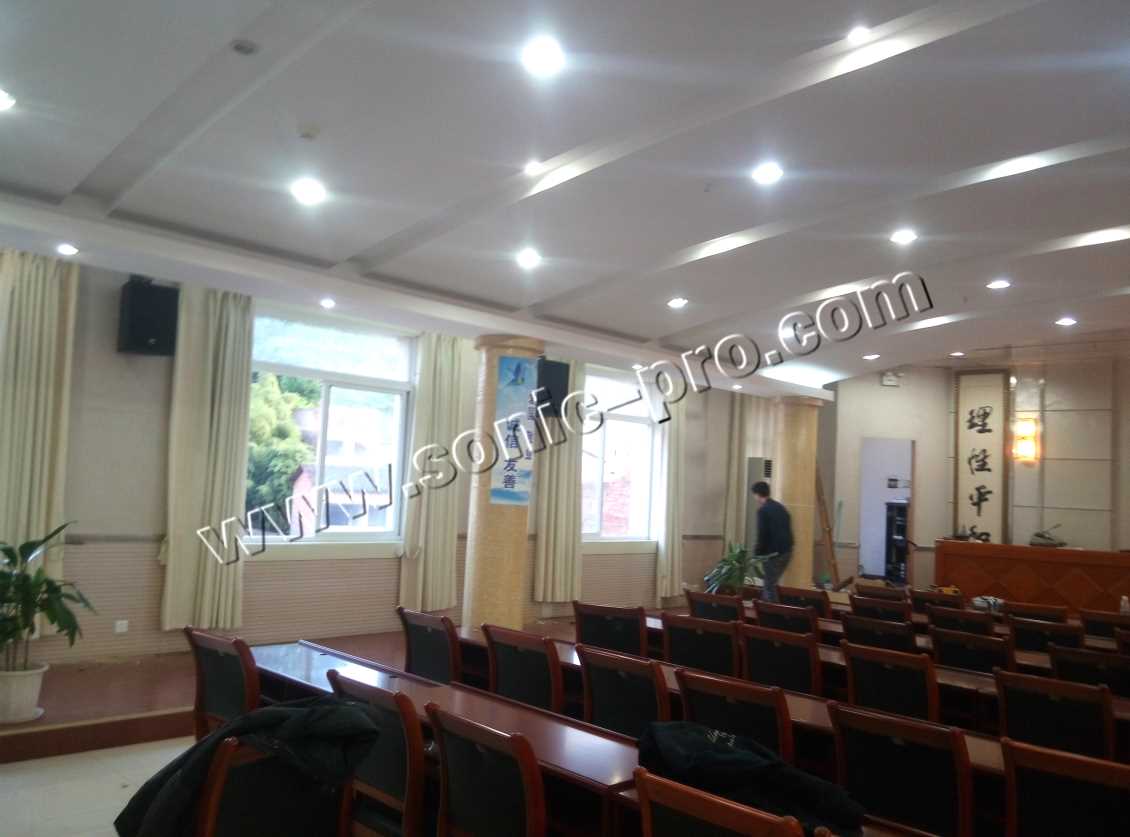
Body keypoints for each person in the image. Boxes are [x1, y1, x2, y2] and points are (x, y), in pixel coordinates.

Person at [752, 481, 793, 603]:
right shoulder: (780, 507)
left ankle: (772, 612)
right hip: (786, 552)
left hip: (772, 554)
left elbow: (762, 534)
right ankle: (766, 607)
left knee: (769, 586)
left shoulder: (763, 510)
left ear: (757, 494)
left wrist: (757, 553)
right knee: (771, 583)